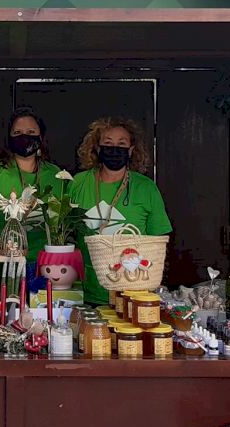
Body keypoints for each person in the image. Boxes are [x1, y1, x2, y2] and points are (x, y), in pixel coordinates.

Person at [0, 107, 63, 298]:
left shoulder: (56, 175)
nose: (25, 137)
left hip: (42, 270)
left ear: (41, 137)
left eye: (31, 132)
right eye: (17, 133)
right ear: (8, 138)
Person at [70, 116, 172, 306]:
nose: (114, 148)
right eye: (108, 143)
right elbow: (64, 233)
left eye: (122, 144)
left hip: (132, 294)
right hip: (85, 293)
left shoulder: (146, 188)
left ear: (131, 150)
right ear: (97, 148)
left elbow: (158, 242)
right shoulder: (78, 183)